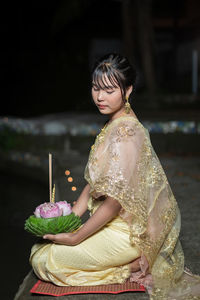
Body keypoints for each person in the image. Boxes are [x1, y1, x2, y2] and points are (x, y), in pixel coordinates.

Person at [30, 53, 200, 299]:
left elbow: (114, 201)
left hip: (127, 233)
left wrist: (77, 236)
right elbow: (93, 184)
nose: (100, 97)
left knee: (45, 259)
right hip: (114, 224)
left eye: (109, 90)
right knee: (44, 246)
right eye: (96, 88)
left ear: (128, 91)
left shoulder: (126, 133)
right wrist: (68, 219)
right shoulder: (114, 124)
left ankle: (131, 265)